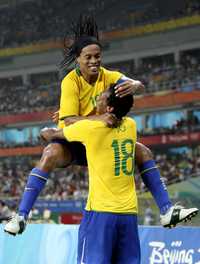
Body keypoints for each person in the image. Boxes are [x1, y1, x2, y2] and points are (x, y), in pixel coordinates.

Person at [4, 15, 198, 235]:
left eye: (97, 56)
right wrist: (99, 119)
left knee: (143, 151)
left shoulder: (109, 76)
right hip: (75, 141)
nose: (94, 61)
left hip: (101, 142)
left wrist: (135, 85)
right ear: (78, 58)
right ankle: (21, 216)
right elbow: (69, 121)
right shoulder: (70, 82)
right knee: (50, 153)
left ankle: (167, 210)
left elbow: (139, 85)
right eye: (88, 57)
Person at [39, 85, 141, 263]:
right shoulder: (131, 125)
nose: (96, 100)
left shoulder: (90, 129)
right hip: (129, 214)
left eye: (100, 98)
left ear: (108, 108)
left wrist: (45, 131)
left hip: (101, 214)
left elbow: (52, 134)